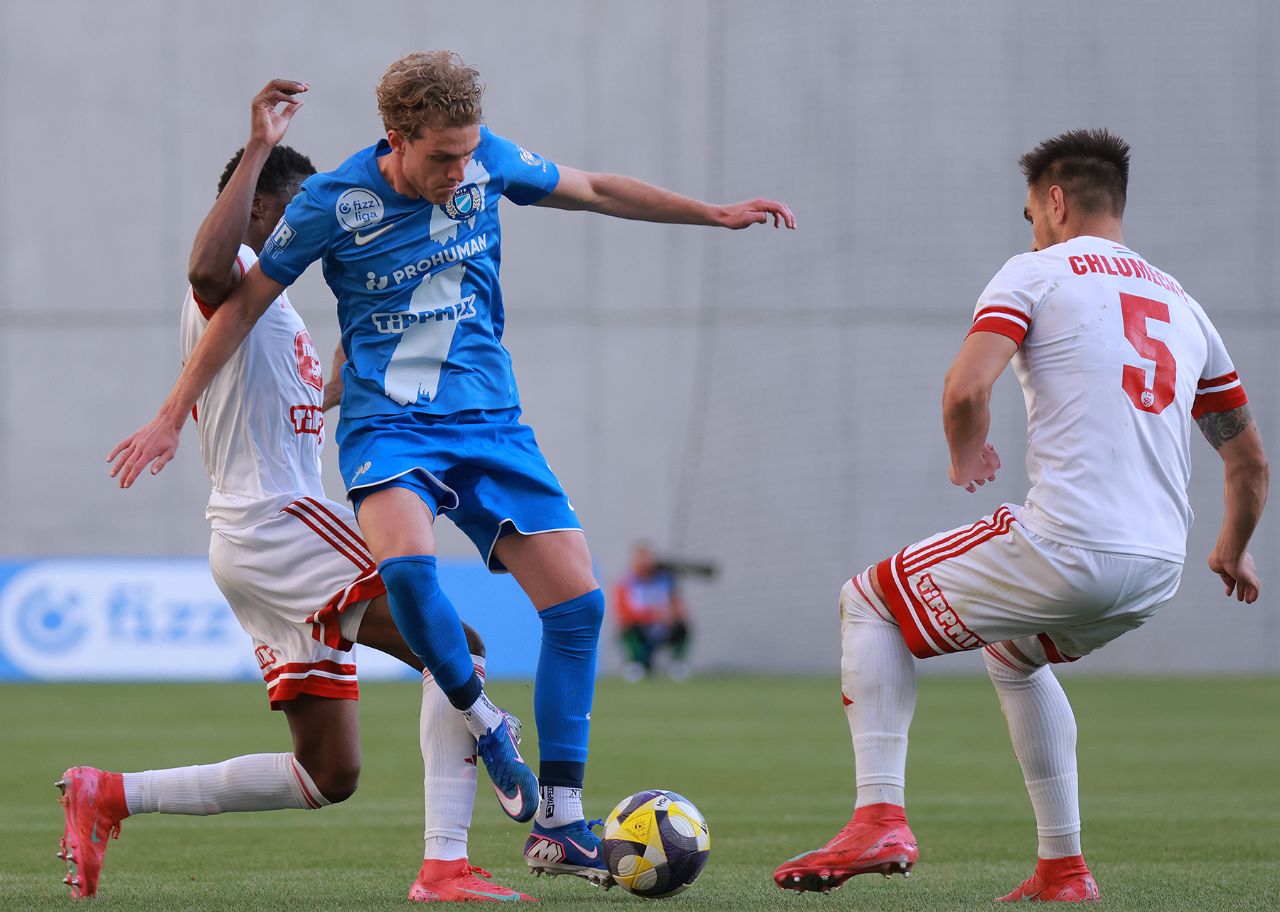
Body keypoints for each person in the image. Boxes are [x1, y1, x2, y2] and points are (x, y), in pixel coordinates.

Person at [106, 50, 796, 885]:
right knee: (408, 572)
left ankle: (560, 822)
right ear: (395, 138)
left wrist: (714, 214)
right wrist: (170, 414)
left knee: (578, 606)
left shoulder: (487, 160)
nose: (461, 172)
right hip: (391, 427)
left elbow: (595, 189)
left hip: (491, 424)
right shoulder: (333, 202)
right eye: (442, 156)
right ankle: (484, 723)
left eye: (469, 153)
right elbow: (238, 302)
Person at [773, 129, 1268, 901]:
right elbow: (1250, 463)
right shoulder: (1184, 304)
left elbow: (966, 387)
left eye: (1032, 213)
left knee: (867, 602)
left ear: (1056, 201)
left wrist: (965, 451)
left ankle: (878, 816)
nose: (1032, 227)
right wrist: (1232, 548)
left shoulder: (1036, 271)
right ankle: (1063, 868)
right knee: (1012, 654)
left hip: (1069, 544)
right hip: (1156, 567)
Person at [75, 81, 532, 903]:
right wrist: (256, 148)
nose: (311, 229)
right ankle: (447, 862)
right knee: (457, 648)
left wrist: (387, 345)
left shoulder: (278, 316)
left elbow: (298, 399)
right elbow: (204, 267)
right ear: (258, 210)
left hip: (250, 540)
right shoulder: (239, 276)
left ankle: (109, 794)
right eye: (291, 212)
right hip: (278, 521)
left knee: (329, 773)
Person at [613, 543, 691, 681]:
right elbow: (624, 613)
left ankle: (678, 663)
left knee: (683, 627)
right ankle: (636, 664)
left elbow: (680, 607)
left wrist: (672, 614)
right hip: (641, 629)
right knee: (626, 630)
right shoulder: (627, 583)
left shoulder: (666, 580)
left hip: (664, 626)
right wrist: (652, 615)